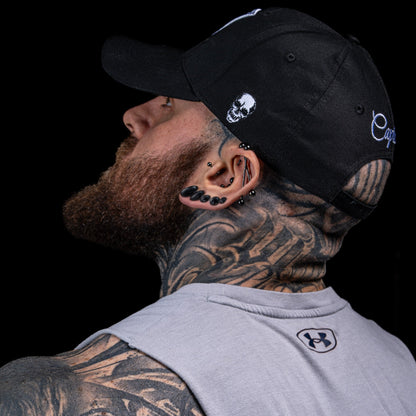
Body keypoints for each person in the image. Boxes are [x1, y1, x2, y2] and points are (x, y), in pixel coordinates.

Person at [0, 7, 414, 416]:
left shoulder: (67, 396)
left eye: (169, 104)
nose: (134, 116)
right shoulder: (402, 370)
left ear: (226, 176)